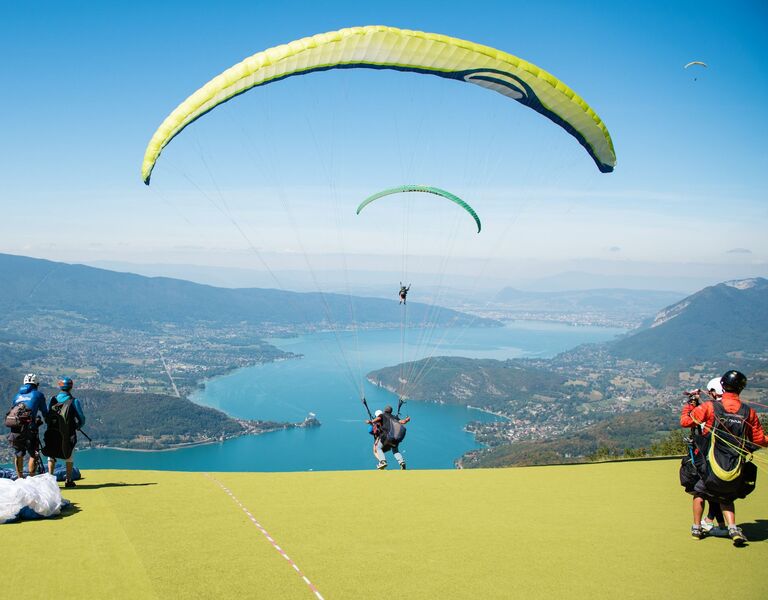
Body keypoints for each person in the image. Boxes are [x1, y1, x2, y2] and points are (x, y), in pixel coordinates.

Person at [680, 370, 767, 546]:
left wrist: (690, 404)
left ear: (723, 386)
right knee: (726, 497)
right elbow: (759, 440)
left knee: (699, 492)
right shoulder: (748, 412)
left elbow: (686, 421)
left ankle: (697, 527)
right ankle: (732, 527)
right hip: (734, 466)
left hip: (710, 464)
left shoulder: (711, 407)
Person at [46, 377, 85, 488]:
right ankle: (68, 480)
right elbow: (82, 418)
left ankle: (50, 481)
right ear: (71, 387)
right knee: (69, 455)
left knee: (51, 455)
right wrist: (78, 426)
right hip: (68, 432)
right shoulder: (74, 401)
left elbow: (48, 415)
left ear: (60, 386)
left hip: (53, 432)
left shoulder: (53, 400)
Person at [7, 373, 48, 479]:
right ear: (36, 384)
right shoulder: (38, 395)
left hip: (15, 427)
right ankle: (31, 478)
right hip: (30, 427)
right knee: (33, 453)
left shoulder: (17, 396)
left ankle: (20, 478)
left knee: (18, 453)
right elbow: (44, 412)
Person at [367, 405, 410, 470]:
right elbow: (403, 422)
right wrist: (407, 420)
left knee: (378, 448)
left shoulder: (382, 415)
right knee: (395, 450)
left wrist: (371, 421)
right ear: (391, 411)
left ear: (385, 410)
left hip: (387, 437)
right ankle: (402, 462)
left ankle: (382, 461)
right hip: (395, 437)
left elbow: (377, 419)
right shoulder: (394, 417)